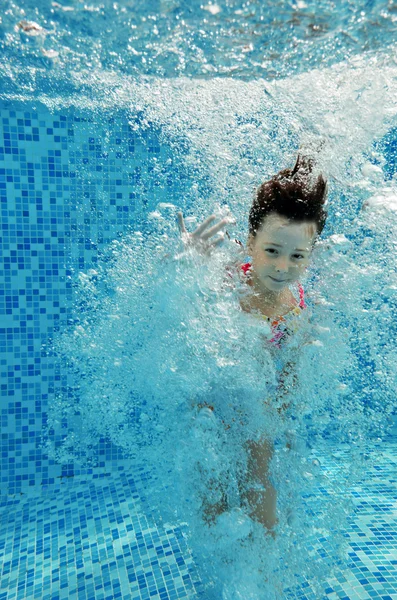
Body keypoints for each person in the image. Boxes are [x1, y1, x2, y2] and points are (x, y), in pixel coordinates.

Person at [177, 154, 328, 535]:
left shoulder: (297, 306)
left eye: (298, 256)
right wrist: (184, 262)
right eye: (272, 250)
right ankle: (217, 559)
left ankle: (262, 566)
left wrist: (283, 403)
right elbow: (176, 305)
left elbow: (293, 363)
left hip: (252, 397)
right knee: (212, 483)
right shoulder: (227, 279)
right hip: (208, 399)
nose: (282, 267)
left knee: (259, 471)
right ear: (249, 242)